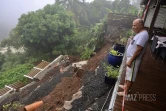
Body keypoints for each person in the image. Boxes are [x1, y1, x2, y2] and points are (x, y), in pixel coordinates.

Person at [117, 18, 149, 96]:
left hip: (134, 59)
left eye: (134, 25)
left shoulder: (143, 35)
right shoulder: (140, 33)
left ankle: (126, 92)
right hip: (131, 58)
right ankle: (126, 87)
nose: (133, 27)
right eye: (132, 25)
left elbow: (139, 50)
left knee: (131, 76)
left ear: (140, 25)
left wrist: (131, 60)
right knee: (129, 74)